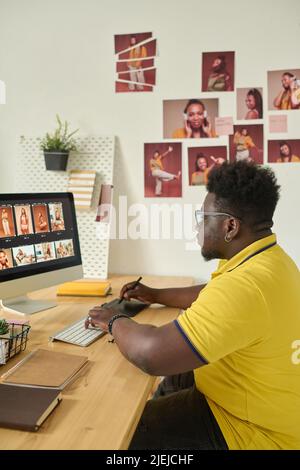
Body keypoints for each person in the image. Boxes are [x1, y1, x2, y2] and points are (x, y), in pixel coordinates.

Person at [86, 161, 300, 450]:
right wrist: (155, 295)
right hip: (260, 402)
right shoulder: (269, 260)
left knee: (122, 431)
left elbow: (152, 355)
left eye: (204, 217)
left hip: (250, 432)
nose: (199, 225)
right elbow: (214, 294)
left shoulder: (246, 286)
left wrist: (113, 320)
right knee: (173, 379)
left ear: (230, 226)